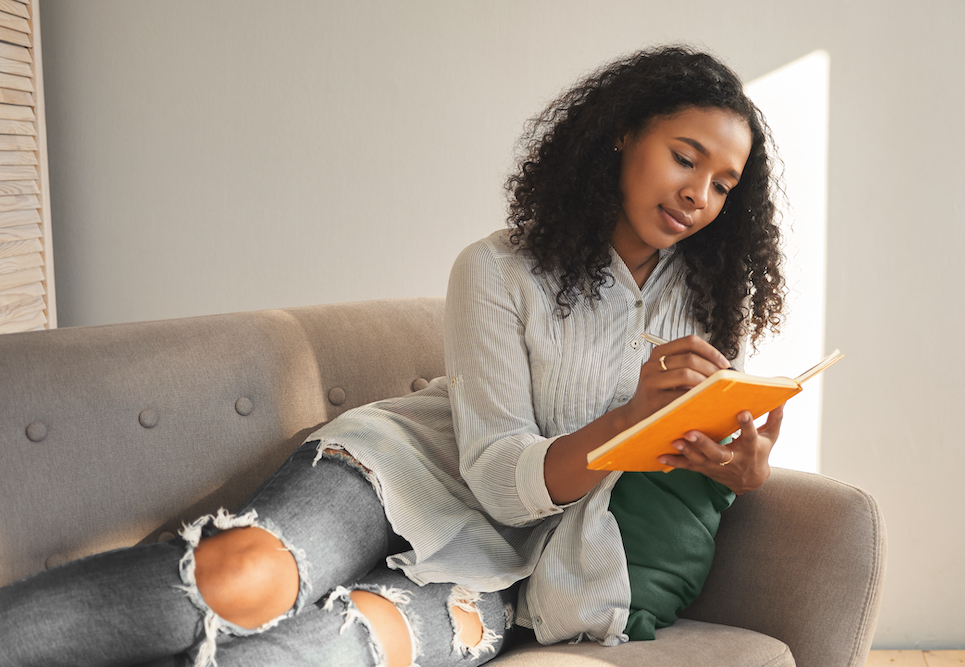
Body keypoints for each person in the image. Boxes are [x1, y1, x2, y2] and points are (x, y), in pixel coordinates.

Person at [0, 45, 785, 667]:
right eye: (686, 158)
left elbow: (650, 471)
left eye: (723, 184)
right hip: (408, 471)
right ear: (624, 132)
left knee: (321, 648)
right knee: (237, 581)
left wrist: (739, 470)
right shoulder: (498, 268)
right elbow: (498, 475)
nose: (699, 196)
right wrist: (625, 420)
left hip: (519, 564)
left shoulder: (709, 297)